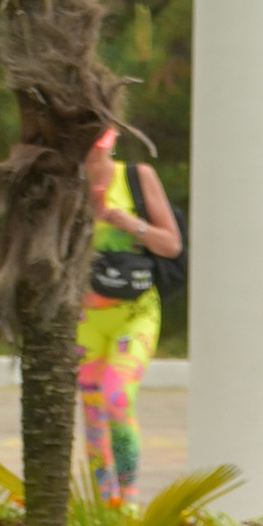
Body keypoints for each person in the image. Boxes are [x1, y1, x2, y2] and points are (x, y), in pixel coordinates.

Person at [78, 127, 182, 500]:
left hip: (134, 312)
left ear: (108, 142)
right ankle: (107, 504)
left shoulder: (137, 177)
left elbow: (171, 245)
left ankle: (129, 497)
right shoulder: (64, 185)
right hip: (85, 320)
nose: (89, 155)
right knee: (93, 414)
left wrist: (121, 220)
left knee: (117, 399)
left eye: (95, 147)